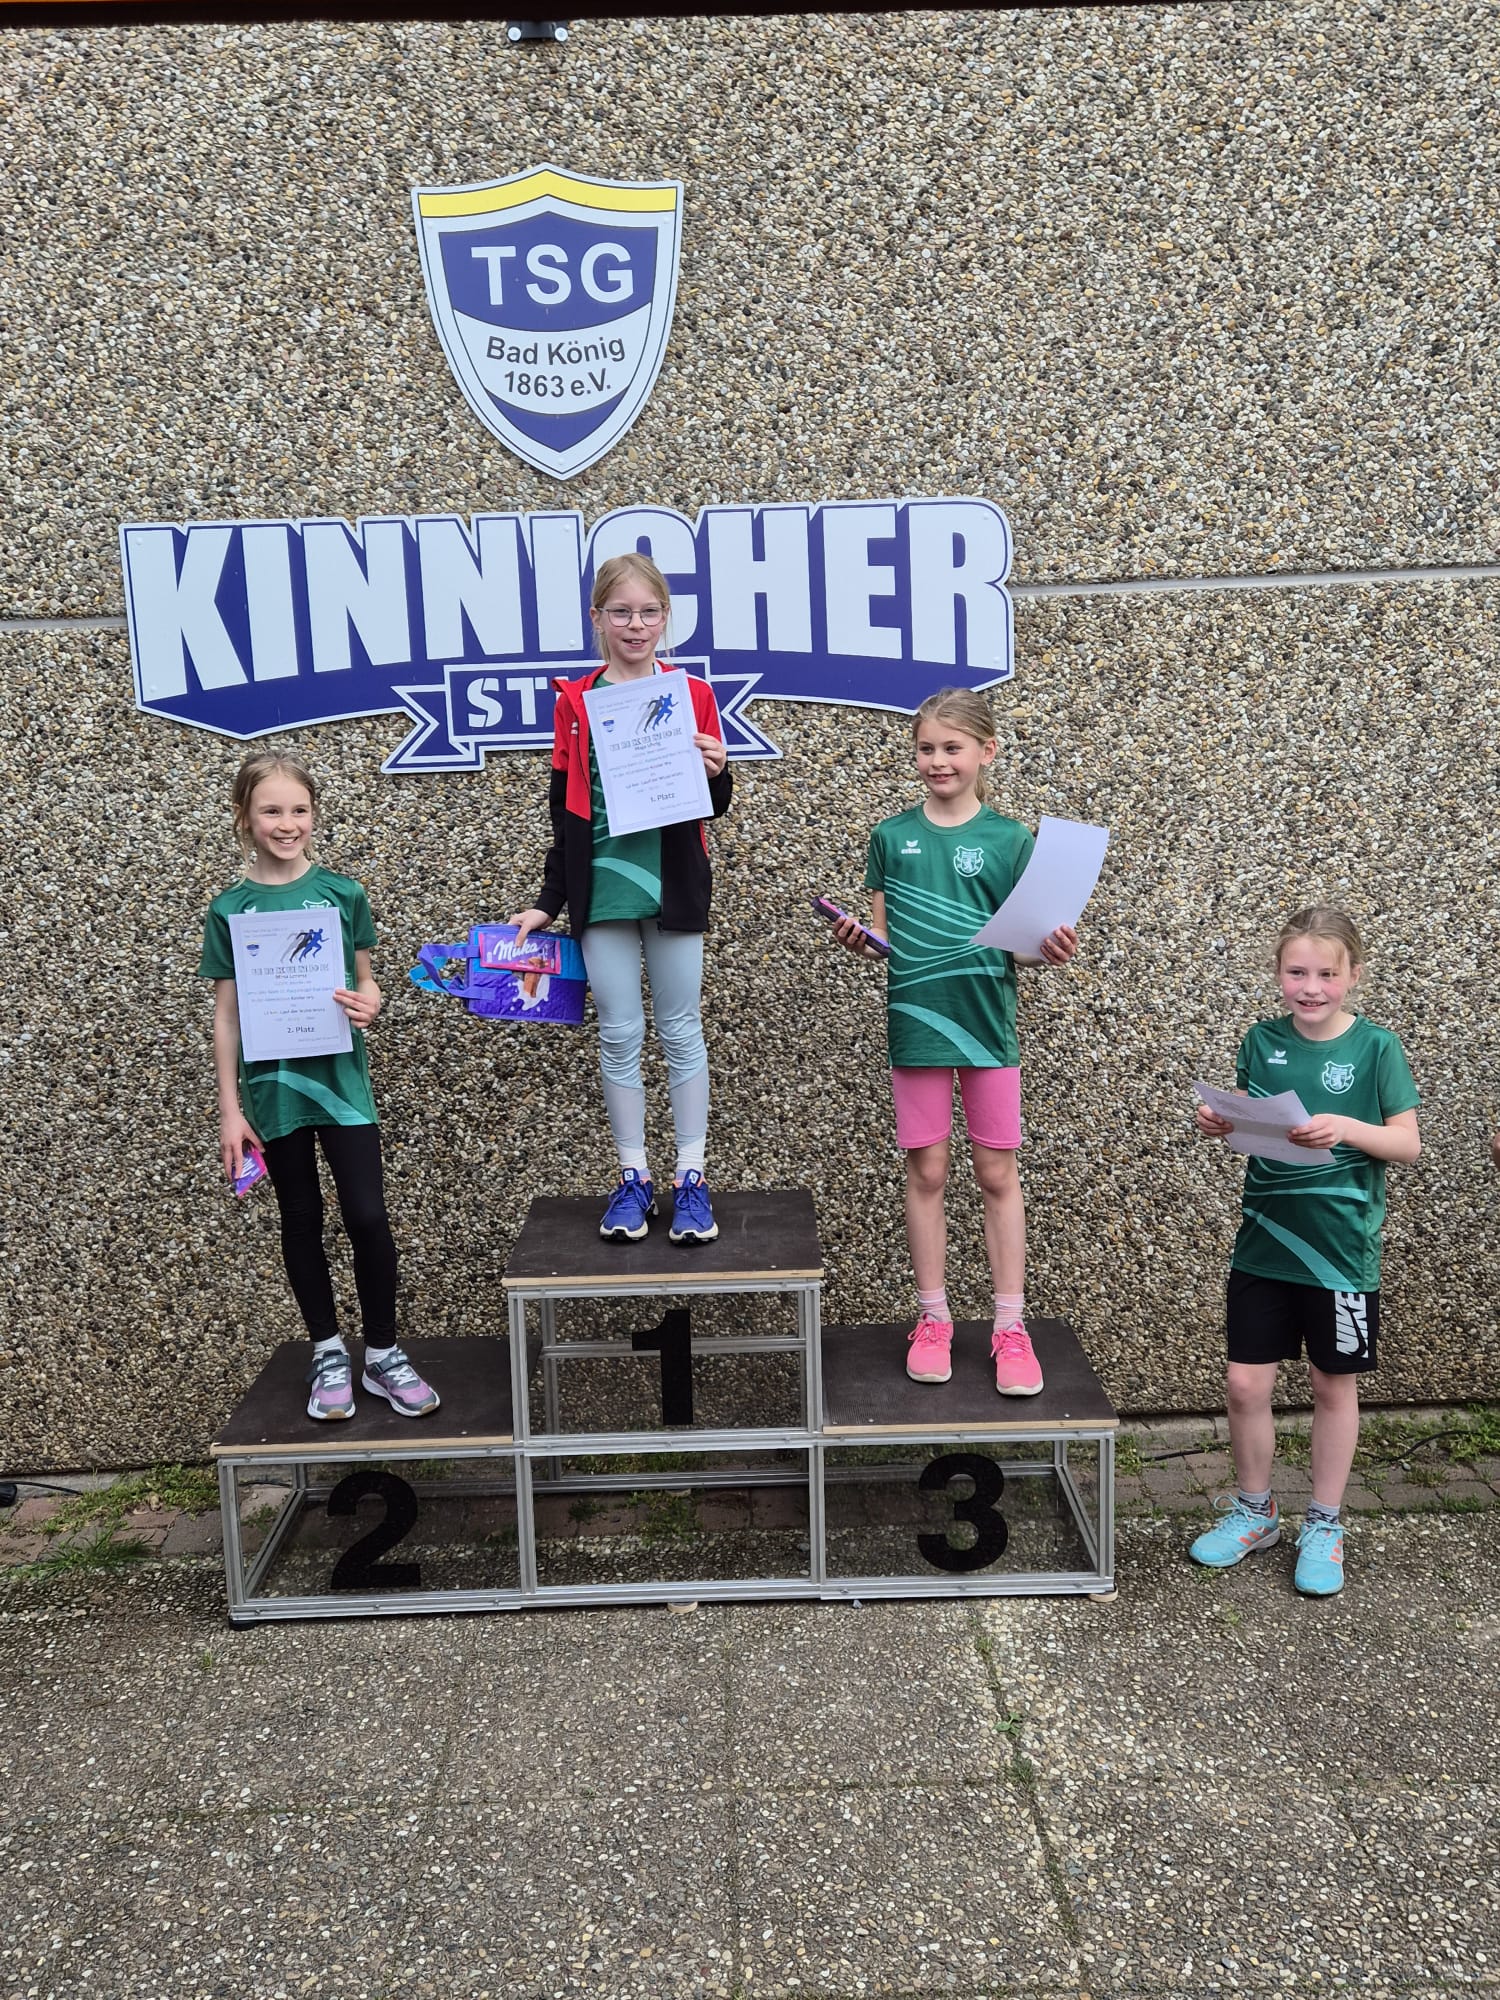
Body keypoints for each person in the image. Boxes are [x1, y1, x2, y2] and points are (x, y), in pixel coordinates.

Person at [829, 686, 1077, 1394]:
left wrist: (1048, 951)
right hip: (916, 1024)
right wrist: (861, 941)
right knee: (928, 1173)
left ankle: (1010, 1327)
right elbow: (883, 937)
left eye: (952, 747)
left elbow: (1023, 944)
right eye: (926, 748)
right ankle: (933, 1318)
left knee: (997, 1175)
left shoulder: (1011, 840)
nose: (938, 760)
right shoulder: (889, 837)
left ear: (986, 752)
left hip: (987, 1029)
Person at [200, 752, 440, 1423]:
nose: (287, 823)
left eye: (299, 810)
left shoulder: (341, 893)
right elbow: (227, 1016)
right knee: (300, 1217)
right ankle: (328, 1351)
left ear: (314, 815)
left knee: (366, 1215)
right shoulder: (230, 908)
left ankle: (383, 1354)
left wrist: (372, 1001)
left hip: (340, 1084)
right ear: (244, 818)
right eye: (271, 811)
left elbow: (366, 979)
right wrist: (230, 1111)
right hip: (273, 1091)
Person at [1190, 907, 1420, 1596]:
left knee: (1331, 1385)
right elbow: (1250, 1122)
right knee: (1244, 1385)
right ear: (1278, 974)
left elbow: (1407, 1143)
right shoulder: (1260, 1040)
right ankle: (1254, 1512)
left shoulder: (1377, 1048)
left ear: (1354, 975)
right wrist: (1219, 1120)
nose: (1311, 987)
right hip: (1263, 1246)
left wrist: (1346, 1127)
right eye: (1297, 972)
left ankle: (1324, 1524)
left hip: (1340, 1254)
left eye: (1326, 973)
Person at [509, 553, 733, 1244]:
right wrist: (548, 901)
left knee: (681, 1028)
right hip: (601, 887)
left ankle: (691, 1177)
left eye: (648, 612)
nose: (636, 625)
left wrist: (719, 772)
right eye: (621, 612)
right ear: (597, 618)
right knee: (618, 1031)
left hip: (671, 883)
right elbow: (562, 808)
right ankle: (633, 1175)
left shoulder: (692, 692)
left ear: (665, 618)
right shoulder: (575, 701)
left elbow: (712, 803)